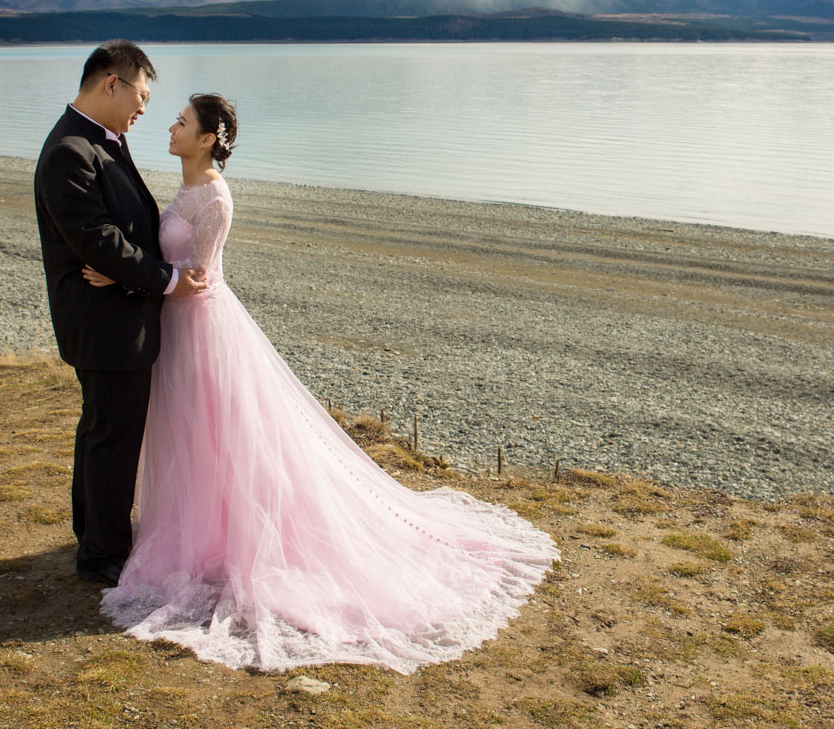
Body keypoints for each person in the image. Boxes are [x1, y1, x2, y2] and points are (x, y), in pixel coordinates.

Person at [90, 94, 559, 673]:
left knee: (222, 436)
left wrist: (125, 277)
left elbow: (200, 282)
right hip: (176, 330)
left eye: (182, 122)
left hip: (203, 327)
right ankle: (197, 533)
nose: (171, 125)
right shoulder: (185, 189)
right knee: (188, 439)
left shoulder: (214, 197)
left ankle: (235, 541)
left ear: (208, 137)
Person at [33, 40, 207, 587]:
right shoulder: (70, 150)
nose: (144, 109)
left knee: (102, 430)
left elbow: (116, 234)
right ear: (113, 82)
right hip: (105, 321)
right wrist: (168, 279)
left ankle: (95, 537)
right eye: (142, 95)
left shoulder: (99, 140)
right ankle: (104, 556)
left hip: (112, 311)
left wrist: (126, 263)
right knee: (114, 436)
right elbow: (97, 239)